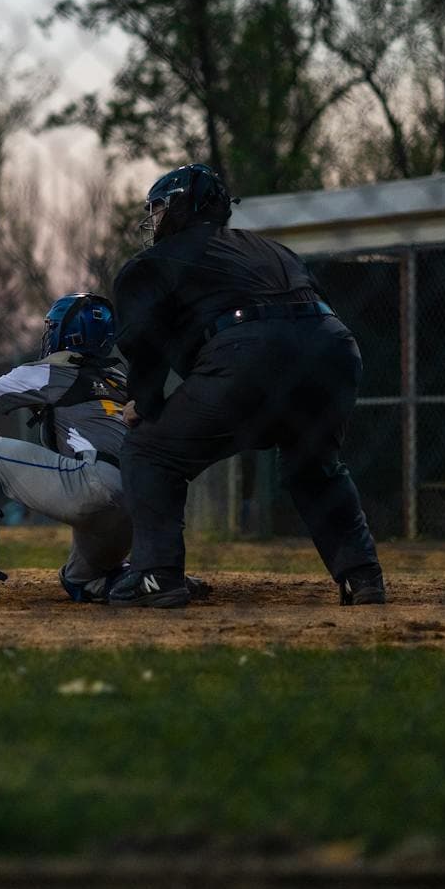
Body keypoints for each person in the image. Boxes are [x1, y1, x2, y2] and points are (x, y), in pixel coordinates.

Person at [107, 163, 387, 609]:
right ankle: (364, 578)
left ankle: (156, 576)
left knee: (149, 452)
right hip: (333, 349)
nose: (154, 219)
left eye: (159, 208)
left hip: (252, 352)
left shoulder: (153, 261)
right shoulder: (273, 249)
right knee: (313, 466)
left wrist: (145, 400)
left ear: (180, 208)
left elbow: (145, 339)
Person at [0, 294, 208, 604]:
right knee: (82, 581)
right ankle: (155, 577)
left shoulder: (51, 370)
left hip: (94, 486)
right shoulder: (121, 379)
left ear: (65, 333)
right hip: (137, 508)